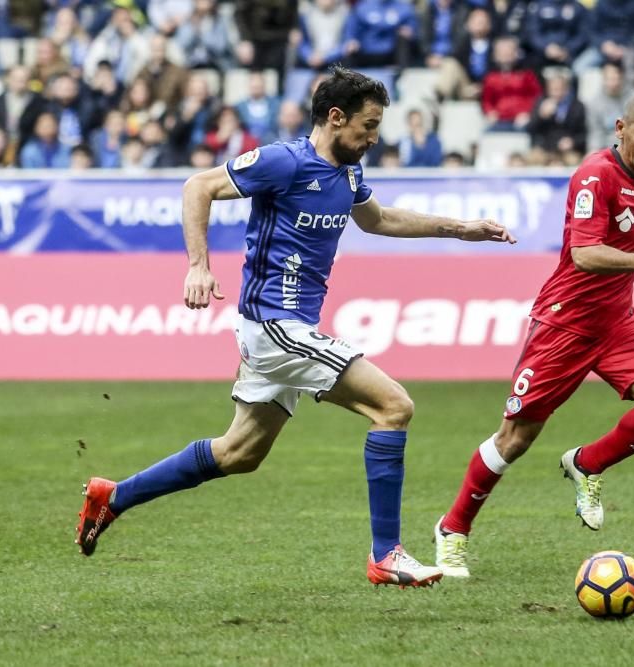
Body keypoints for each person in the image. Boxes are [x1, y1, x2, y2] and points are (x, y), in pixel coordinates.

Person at [75, 67, 517, 589]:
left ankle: (114, 496)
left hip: (290, 327)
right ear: (335, 118)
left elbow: (377, 220)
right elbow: (198, 186)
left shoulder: (348, 173)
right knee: (394, 407)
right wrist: (198, 264)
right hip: (272, 324)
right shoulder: (284, 161)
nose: (374, 138)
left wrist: (459, 229)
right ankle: (387, 555)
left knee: (239, 453)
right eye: (368, 126)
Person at [433, 94, 634, 577]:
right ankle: (452, 529)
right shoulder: (594, 175)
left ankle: (588, 464)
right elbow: (585, 254)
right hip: (565, 323)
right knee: (514, 439)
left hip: (617, 321)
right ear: (620, 128)